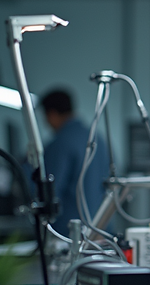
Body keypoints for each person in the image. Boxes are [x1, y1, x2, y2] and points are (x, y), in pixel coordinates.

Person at [40, 89, 111, 236]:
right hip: (102, 230)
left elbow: (51, 193)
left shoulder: (60, 144)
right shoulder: (98, 138)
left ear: (52, 115)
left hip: (70, 234)